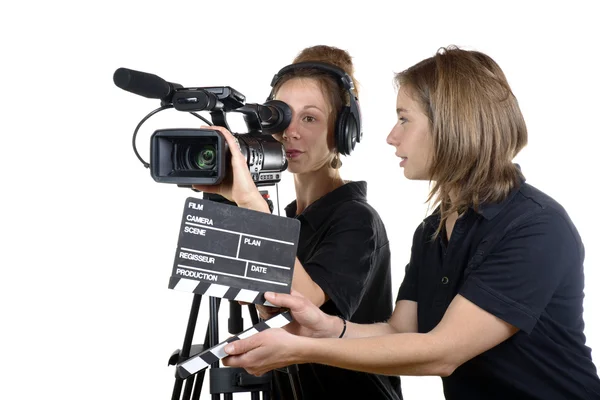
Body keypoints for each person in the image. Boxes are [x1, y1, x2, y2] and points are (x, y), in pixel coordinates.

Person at [220, 46, 600, 400]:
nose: (390, 136)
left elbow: (443, 352)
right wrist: (327, 327)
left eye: (404, 119)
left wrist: (303, 348)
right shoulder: (434, 229)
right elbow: (402, 330)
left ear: (453, 125)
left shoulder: (535, 227)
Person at [193, 45, 403, 400]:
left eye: (310, 118)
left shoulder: (356, 218)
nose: (290, 131)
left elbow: (304, 303)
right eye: (282, 115)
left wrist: (249, 204)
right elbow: (274, 315)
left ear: (343, 132)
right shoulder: (289, 218)